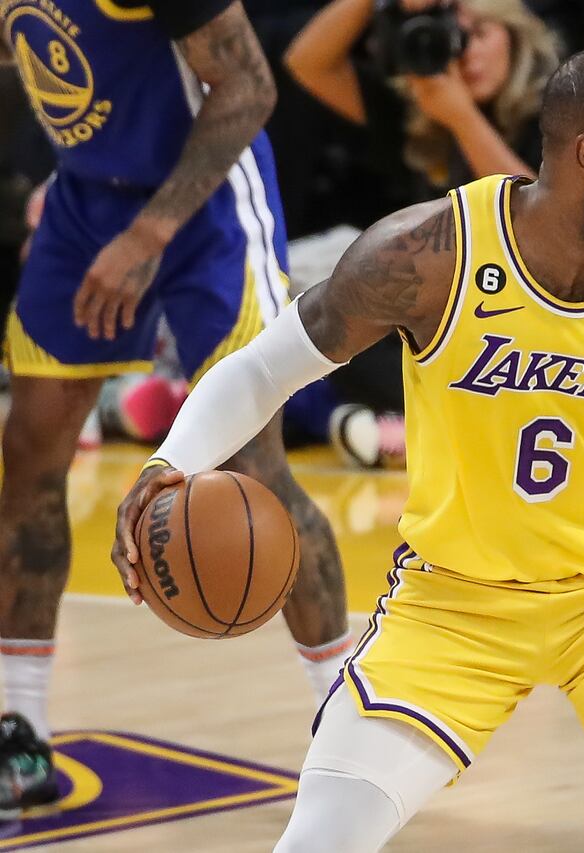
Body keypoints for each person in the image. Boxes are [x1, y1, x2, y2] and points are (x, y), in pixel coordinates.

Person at [111, 51, 584, 852]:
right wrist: (166, 467)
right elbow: (262, 369)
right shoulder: (429, 254)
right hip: (456, 604)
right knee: (317, 840)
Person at [0, 0, 351, 812]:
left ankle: (348, 722)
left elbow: (251, 86)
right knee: (30, 450)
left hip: (204, 209)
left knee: (255, 466)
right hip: (86, 198)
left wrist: (148, 233)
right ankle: (21, 725)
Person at [285, 0, 558, 206]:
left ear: (514, 34)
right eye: (449, 39)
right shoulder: (420, 103)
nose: (467, 53)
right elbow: (307, 63)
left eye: (479, 33)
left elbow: (545, 217)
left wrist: (463, 120)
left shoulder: (559, 108)